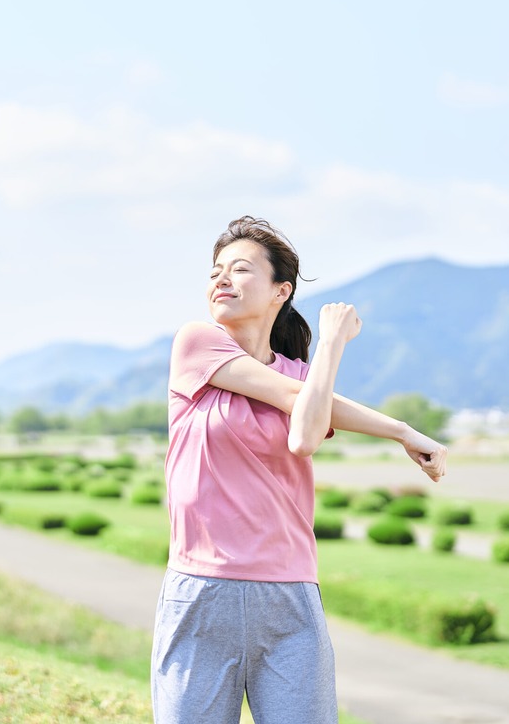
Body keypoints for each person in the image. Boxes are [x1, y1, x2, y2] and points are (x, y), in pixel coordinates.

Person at [151, 216, 447, 724]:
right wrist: (333, 343)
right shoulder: (196, 343)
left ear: (279, 291)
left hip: (289, 599)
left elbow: (312, 410)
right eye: (215, 270)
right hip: (202, 593)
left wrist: (401, 429)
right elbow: (304, 429)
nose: (221, 279)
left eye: (239, 269)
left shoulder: (301, 382)